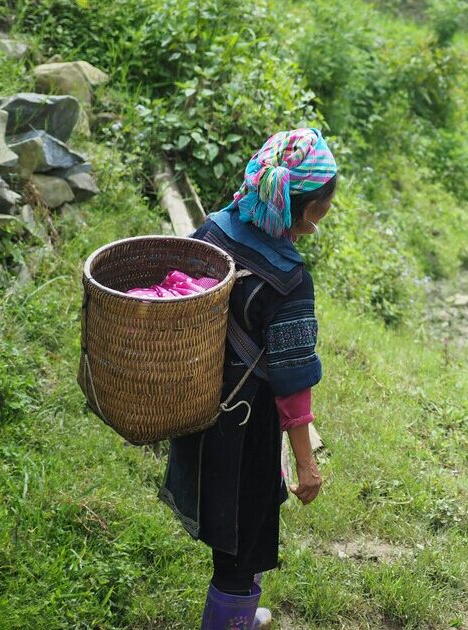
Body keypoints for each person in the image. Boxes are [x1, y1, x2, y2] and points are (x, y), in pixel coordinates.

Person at [159, 128, 338, 629]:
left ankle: (237, 614)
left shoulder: (213, 229)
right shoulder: (290, 281)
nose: (325, 214)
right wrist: (307, 465)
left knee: (228, 528)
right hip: (247, 425)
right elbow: (292, 382)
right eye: (324, 205)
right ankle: (229, 619)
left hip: (199, 405)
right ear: (303, 211)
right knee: (244, 539)